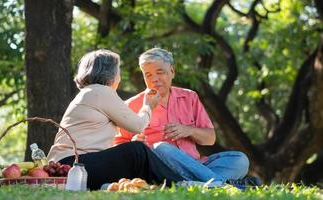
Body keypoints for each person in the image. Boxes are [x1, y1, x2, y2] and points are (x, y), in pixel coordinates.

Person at [114, 48, 252, 186]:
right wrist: (134, 143)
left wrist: (189, 130)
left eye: (159, 72)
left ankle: (195, 183)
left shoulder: (190, 97)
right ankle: (220, 184)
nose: (154, 79)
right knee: (161, 147)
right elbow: (118, 147)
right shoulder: (131, 105)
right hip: (159, 169)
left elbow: (210, 139)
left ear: (172, 71)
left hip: (196, 165)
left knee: (240, 159)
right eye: (148, 75)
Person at [47, 49, 183, 190]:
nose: (120, 76)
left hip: (66, 166)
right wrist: (148, 106)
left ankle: (156, 185)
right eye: (118, 70)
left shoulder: (89, 92)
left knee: (132, 151)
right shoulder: (101, 92)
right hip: (73, 165)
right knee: (137, 150)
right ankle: (182, 184)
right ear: (110, 73)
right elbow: (138, 125)